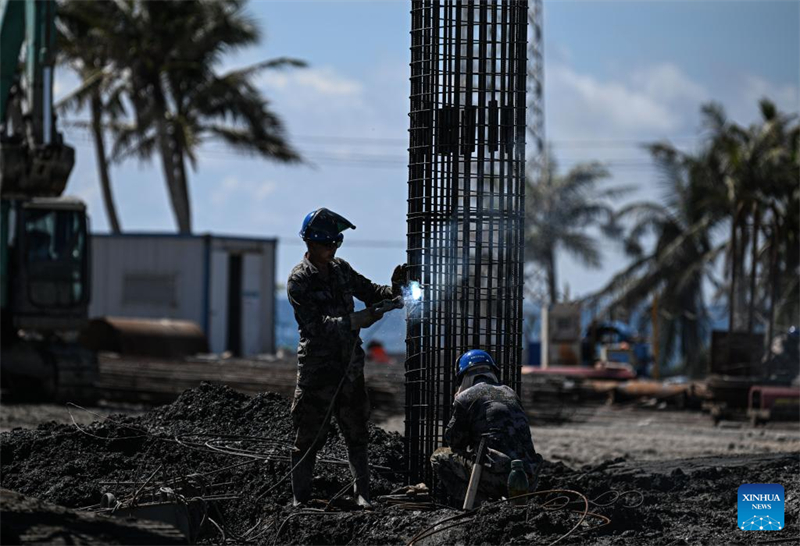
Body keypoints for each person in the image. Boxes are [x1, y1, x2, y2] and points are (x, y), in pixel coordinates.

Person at [287, 207, 408, 507]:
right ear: (311, 244)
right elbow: (315, 327)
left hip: (350, 369)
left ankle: (362, 495)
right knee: (307, 437)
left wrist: (394, 290)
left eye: (336, 243)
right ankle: (300, 500)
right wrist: (355, 321)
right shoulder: (299, 281)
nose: (333, 249)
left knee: (357, 433)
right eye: (328, 244)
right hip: (319, 372)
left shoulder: (341, 269)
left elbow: (371, 292)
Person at [430, 350, 543, 506]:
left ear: (464, 376)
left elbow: (454, 441)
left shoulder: (465, 397)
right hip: (528, 477)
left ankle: (480, 505)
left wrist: (459, 406)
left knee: (439, 457)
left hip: (501, 477)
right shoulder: (510, 392)